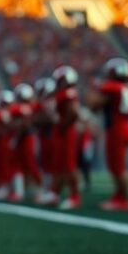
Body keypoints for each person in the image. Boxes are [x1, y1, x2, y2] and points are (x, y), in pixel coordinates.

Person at [88, 58, 128, 210]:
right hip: (125, 125)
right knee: (117, 166)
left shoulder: (111, 87)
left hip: (116, 128)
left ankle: (122, 200)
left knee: (118, 167)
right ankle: (119, 196)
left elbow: (94, 106)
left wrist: (94, 92)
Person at [47, 65, 81, 210]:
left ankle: (74, 196)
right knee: (60, 164)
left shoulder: (68, 93)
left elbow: (73, 113)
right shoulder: (64, 93)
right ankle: (55, 192)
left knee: (68, 165)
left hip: (66, 132)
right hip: (62, 131)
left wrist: (61, 125)